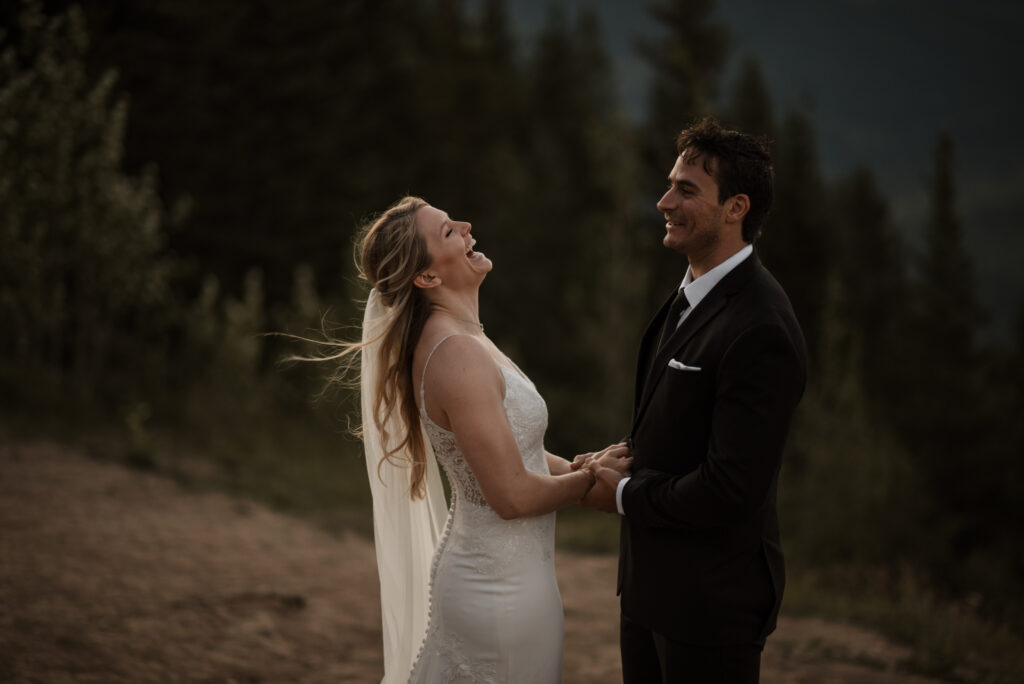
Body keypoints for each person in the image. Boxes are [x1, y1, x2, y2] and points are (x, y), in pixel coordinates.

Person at [322, 196, 630, 684]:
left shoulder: (467, 338)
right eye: (448, 231)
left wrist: (576, 468)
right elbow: (510, 495)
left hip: (515, 582)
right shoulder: (456, 353)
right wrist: (592, 480)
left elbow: (517, 451)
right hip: (497, 595)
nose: (467, 226)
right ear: (427, 277)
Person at [577, 119, 808, 683]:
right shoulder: (690, 293)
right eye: (669, 185)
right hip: (650, 590)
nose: (664, 202)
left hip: (710, 606)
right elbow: (683, 420)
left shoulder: (761, 327)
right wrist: (626, 453)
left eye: (686, 190)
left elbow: (732, 487)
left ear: (736, 208)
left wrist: (627, 495)